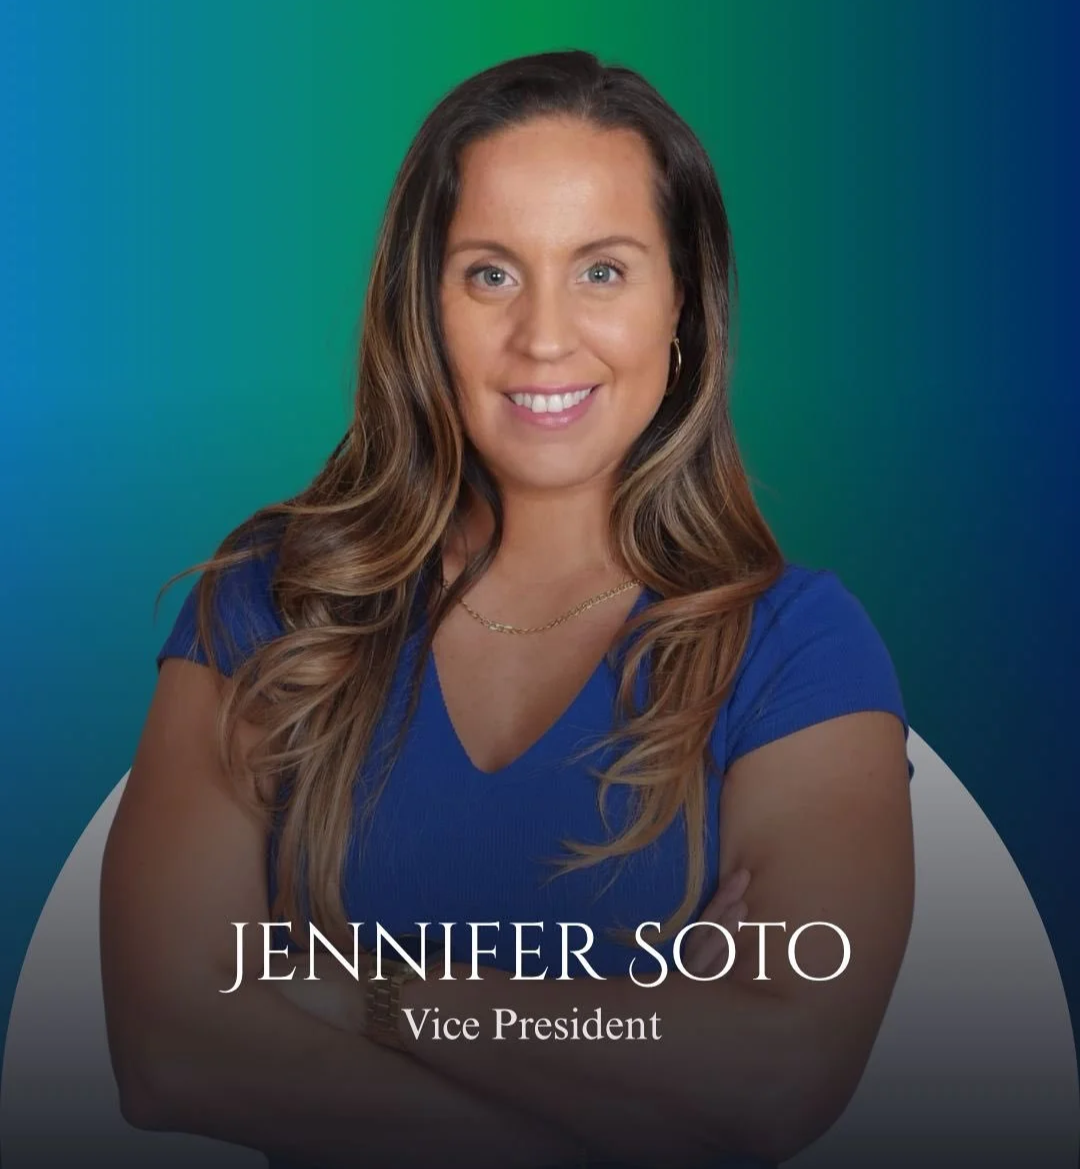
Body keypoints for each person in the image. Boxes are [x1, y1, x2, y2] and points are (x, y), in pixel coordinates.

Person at [101, 49, 915, 1169]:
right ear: (424, 306)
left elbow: (776, 1076)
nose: (543, 336)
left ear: (681, 300)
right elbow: (168, 1049)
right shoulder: (270, 600)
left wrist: (362, 994)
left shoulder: (799, 650)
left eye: (602, 270)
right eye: (490, 273)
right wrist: (631, 1072)